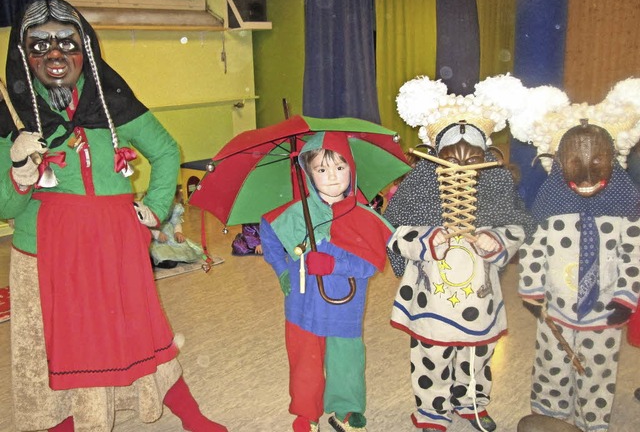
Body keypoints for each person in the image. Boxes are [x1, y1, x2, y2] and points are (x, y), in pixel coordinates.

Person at [0, 0, 226, 432]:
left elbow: (164, 150)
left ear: (85, 47)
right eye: (39, 44)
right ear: (24, 55)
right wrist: (20, 171)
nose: (54, 54)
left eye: (67, 42)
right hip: (46, 253)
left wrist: (155, 207)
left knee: (141, 330)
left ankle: (188, 412)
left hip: (114, 242)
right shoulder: (14, 119)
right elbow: (6, 207)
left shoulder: (111, 102)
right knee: (58, 347)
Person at [387, 75, 535, 432]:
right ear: (437, 155)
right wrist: (425, 241)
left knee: (477, 354)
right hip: (430, 296)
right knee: (431, 354)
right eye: (453, 159)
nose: (463, 166)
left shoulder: (496, 183)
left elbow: (519, 225)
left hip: (478, 296)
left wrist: (496, 239)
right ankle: (432, 410)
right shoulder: (419, 184)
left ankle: (471, 401)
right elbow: (392, 233)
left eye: (473, 159)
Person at [509, 77, 640, 431]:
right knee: (552, 364)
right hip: (557, 306)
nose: (585, 171)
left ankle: (592, 421)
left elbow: (633, 254)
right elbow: (535, 248)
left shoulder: (625, 205)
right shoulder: (550, 204)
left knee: (597, 370)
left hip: (604, 309)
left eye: (596, 160)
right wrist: (532, 290)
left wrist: (626, 298)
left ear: (613, 158)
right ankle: (549, 416)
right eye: (574, 160)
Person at [260, 131, 394, 432]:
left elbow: (371, 265)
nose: (332, 177)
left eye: (340, 167)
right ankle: (305, 411)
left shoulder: (364, 217)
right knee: (305, 359)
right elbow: (267, 230)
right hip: (302, 305)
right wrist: (282, 267)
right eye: (321, 169)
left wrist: (335, 263)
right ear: (308, 173)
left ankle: (346, 407)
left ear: (352, 170)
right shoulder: (297, 214)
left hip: (345, 306)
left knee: (346, 359)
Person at [150, 186, 205, 268]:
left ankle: (177, 257)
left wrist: (178, 232)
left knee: (188, 253)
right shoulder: (149, 208)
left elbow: (176, 222)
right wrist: (156, 234)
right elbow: (144, 227)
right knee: (169, 262)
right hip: (154, 239)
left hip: (170, 236)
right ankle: (155, 259)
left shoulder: (174, 207)